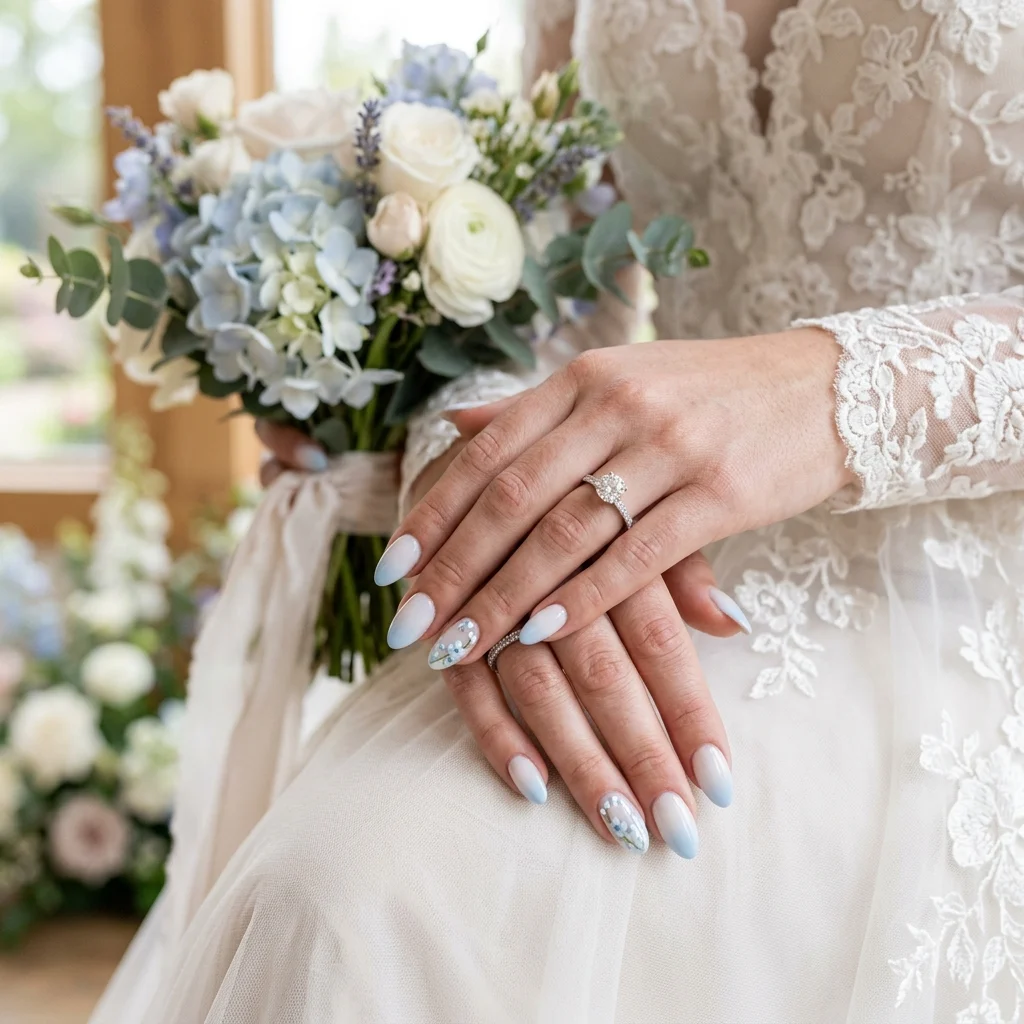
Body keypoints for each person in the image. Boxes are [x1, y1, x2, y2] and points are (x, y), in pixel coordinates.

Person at [93, 0, 1024, 1019]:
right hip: (632, 557)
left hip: (974, 580)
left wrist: (828, 393)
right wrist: (483, 457)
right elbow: (554, 269)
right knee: (338, 891)